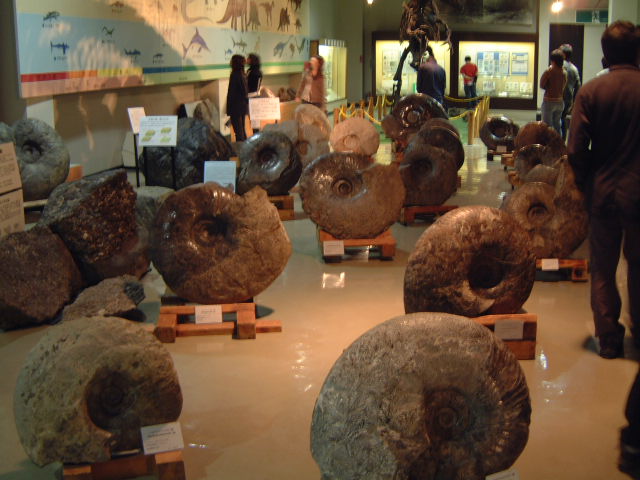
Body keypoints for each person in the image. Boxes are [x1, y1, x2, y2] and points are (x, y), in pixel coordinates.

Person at [567, 19, 640, 361]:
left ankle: (609, 337)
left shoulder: (592, 91)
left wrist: (586, 181)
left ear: (605, 54)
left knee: (602, 268)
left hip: (604, 190)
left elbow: (576, 148)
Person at [539, 49, 567, 135]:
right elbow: (564, 86)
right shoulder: (564, 72)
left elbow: (541, 85)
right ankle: (558, 141)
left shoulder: (549, 71)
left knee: (547, 126)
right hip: (560, 101)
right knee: (557, 125)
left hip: (549, 101)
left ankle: (548, 142)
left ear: (553, 61)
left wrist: (549, 87)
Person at [559, 44, 581, 141]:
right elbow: (578, 86)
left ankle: (555, 142)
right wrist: (574, 102)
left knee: (554, 121)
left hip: (556, 97)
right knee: (563, 119)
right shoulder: (574, 69)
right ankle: (563, 141)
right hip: (568, 99)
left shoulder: (558, 65)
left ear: (563, 54)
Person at [226, 54, 249, 141]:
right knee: (242, 130)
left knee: (238, 132)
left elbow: (232, 93)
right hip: (242, 107)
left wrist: (229, 109)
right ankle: (245, 146)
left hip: (236, 107)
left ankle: (241, 147)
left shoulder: (235, 75)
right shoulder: (243, 74)